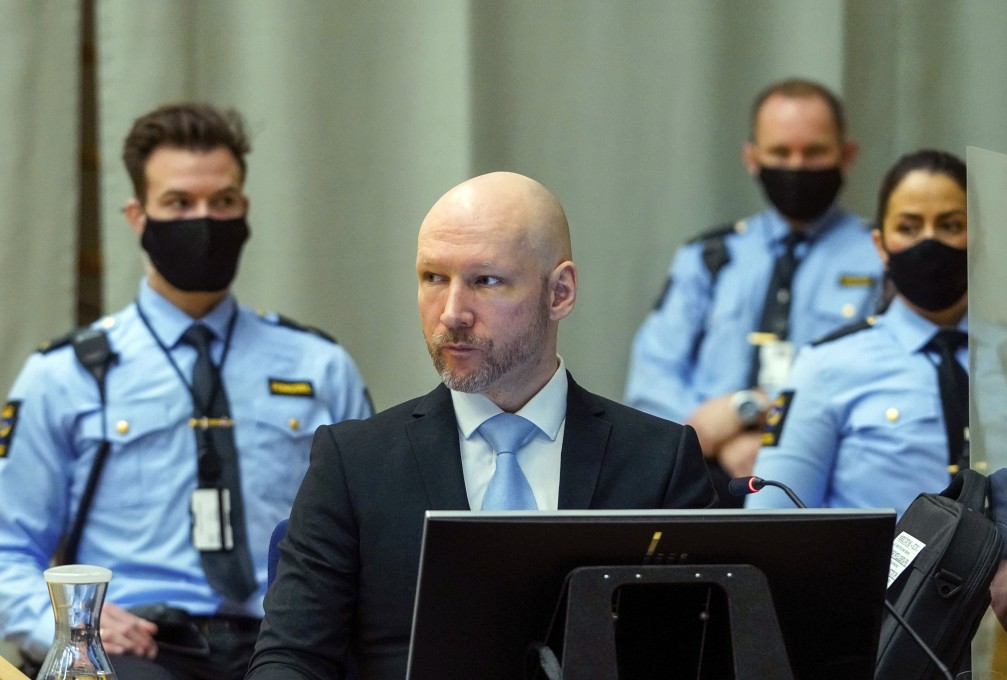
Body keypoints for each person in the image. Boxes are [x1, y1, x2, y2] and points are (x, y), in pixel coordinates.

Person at [245, 171, 717, 679]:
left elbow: (705, 657)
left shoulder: (658, 460)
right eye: (433, 278)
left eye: (485, 281)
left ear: (559, 292)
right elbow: (290, 658)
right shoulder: (354, 463)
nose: (451, 313)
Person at [0, 103, 373, 679]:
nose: (204, 219)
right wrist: (70, 626)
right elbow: (6, 551)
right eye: (178, 203)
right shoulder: (63, 375)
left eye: (222, 202)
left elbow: (370, 537)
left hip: (288, 642)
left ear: (244, 210)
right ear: (136, 216)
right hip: (134, 645)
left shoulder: (320, 366)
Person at [625, 77, 883, 506]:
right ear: (752, 157)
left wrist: (766, 424)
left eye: (814, 152)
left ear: (847, 154)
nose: (797, 166)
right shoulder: (710, 255)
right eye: (780, 152)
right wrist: (717, 440)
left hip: (830, 483)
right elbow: (652, 377)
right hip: (703, 478)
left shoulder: (882, 257)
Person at [747, 149, 968, 517]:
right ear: (881, 246)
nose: (929, 243)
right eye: (908, 228)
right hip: (879, 574)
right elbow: (770, 523)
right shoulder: (825, 366)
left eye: (951, 225)